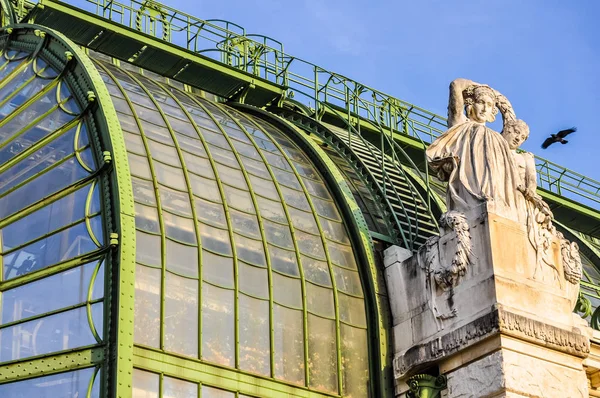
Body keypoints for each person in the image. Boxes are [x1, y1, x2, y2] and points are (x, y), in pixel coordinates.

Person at [426, 78, 526, 222]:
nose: (485, 109)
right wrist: (483, 87)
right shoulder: (461, 124)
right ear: (471, 104)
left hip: (495, 192)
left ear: (493, 111)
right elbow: (456, 85)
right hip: (469, 189)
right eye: (481, 102)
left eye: (490, 105)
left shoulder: (497, 138)